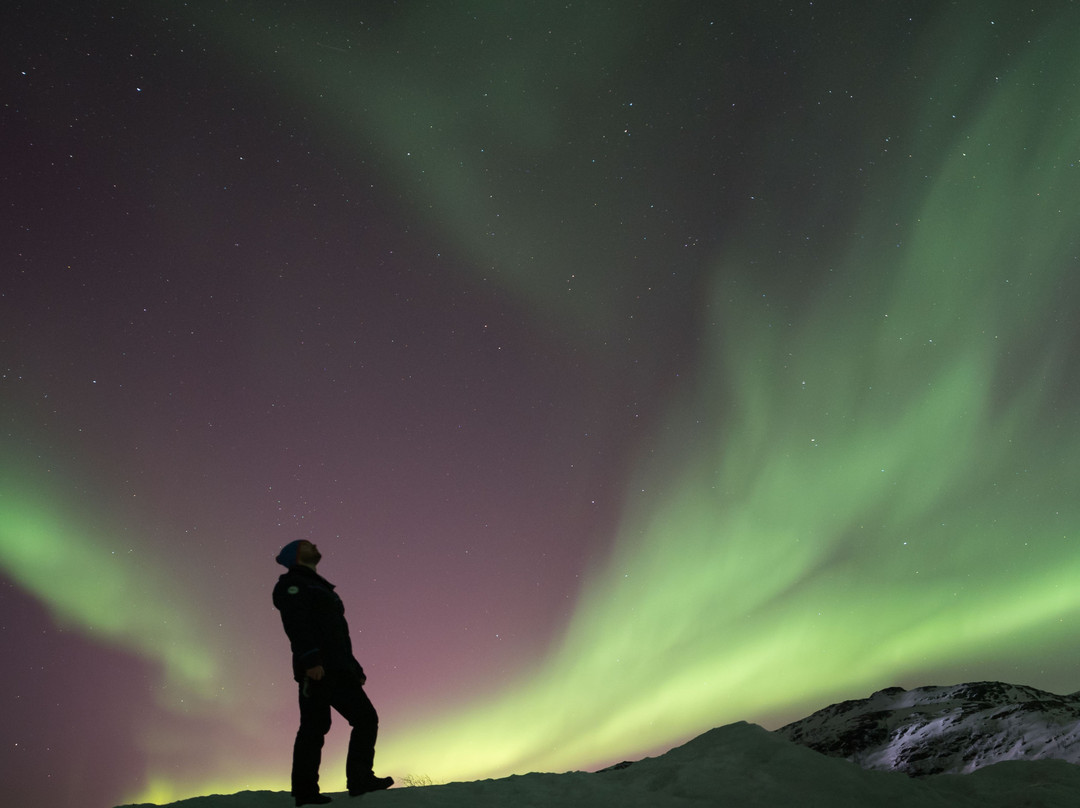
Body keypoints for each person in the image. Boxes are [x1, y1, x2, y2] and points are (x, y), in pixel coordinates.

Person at [272, 539, 393, 806]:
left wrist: (354, 667)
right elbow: (297, 624)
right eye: (307, 545)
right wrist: (310, 660)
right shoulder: (293, 585)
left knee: (366, 718)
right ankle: (305, 792)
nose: (314, 545)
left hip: (341, 670)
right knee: (315, 727)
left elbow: (338, 635)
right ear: (296, 556)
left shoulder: (322, 587)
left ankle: (360, 779)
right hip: (316, 669)